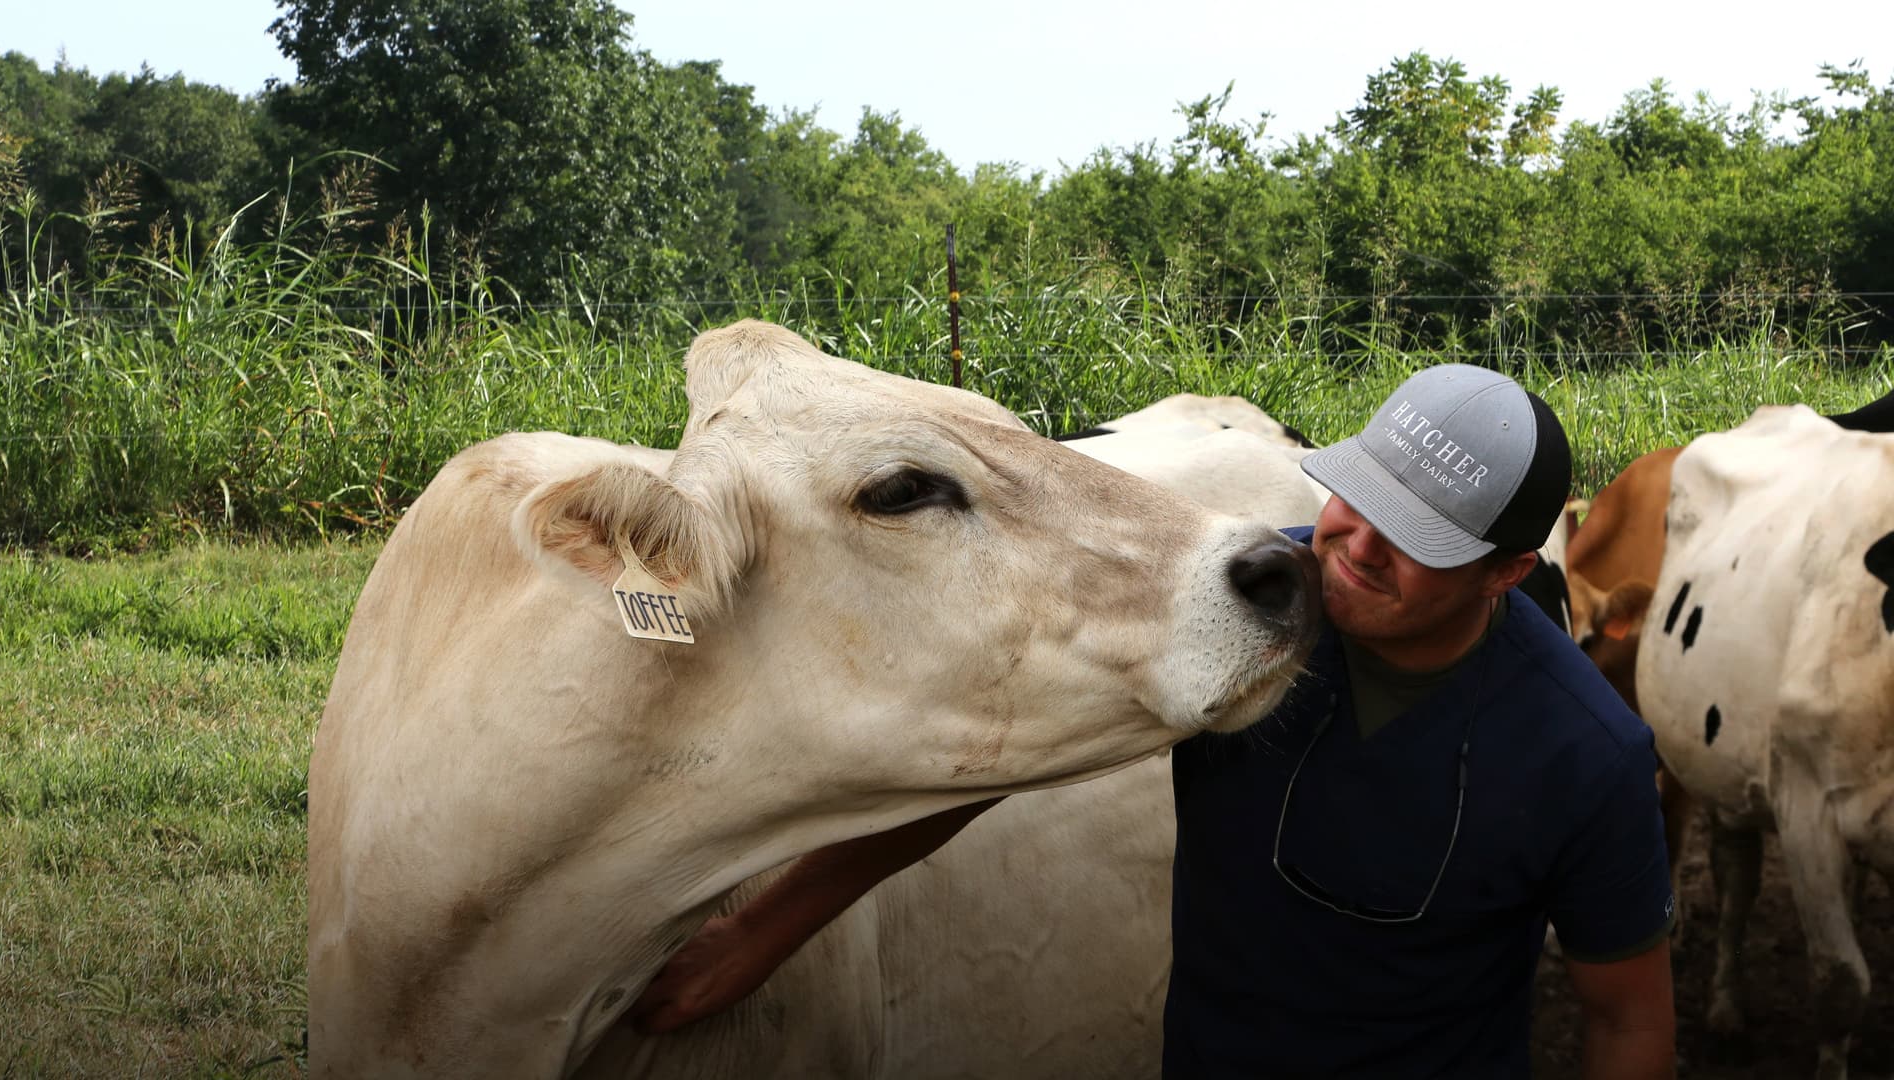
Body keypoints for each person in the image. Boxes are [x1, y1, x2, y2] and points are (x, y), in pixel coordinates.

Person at [633, 365, 1677, 1079]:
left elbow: (1627, 1015)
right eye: (1359, 495)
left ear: (1507, 573)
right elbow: (995, 745)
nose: (1354, 546)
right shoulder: (1249, 601)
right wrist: (763, 932)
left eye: (1418, 537)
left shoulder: (1589, 755)